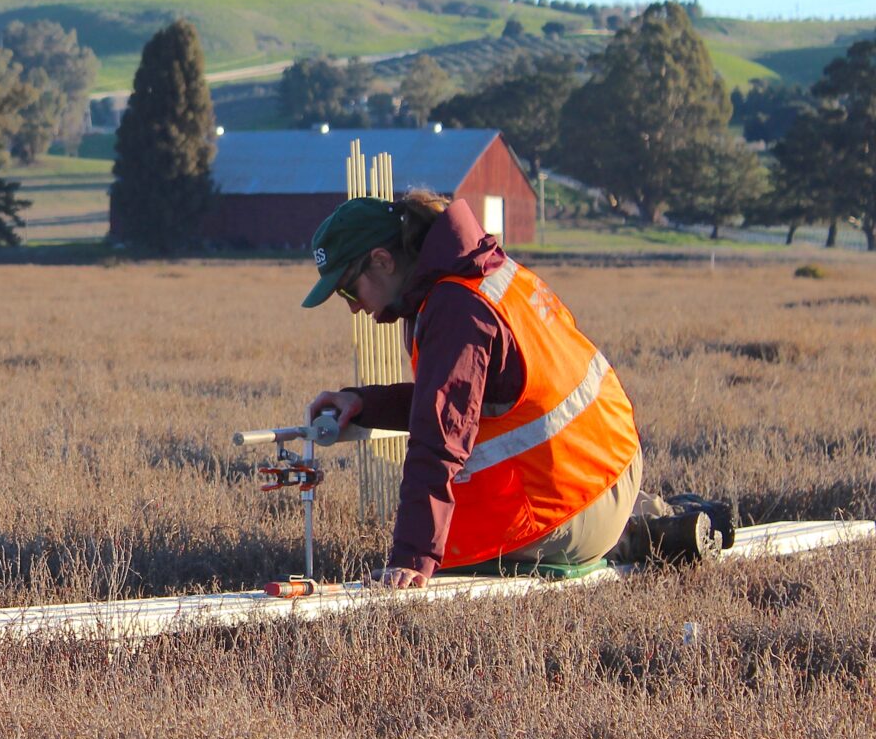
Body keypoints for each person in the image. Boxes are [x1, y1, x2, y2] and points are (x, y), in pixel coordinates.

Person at [300, 192, 729, 589]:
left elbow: (439, 437)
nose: (354, 307)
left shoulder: (454, 306)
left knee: (453, 557)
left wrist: (412, 559)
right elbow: (463, 401)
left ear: (382, 260)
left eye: (346, 290)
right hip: (610, 468)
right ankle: (649, 520)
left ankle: (630, 536)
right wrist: (366, 403)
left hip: (573, 497)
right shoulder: (480, 272)